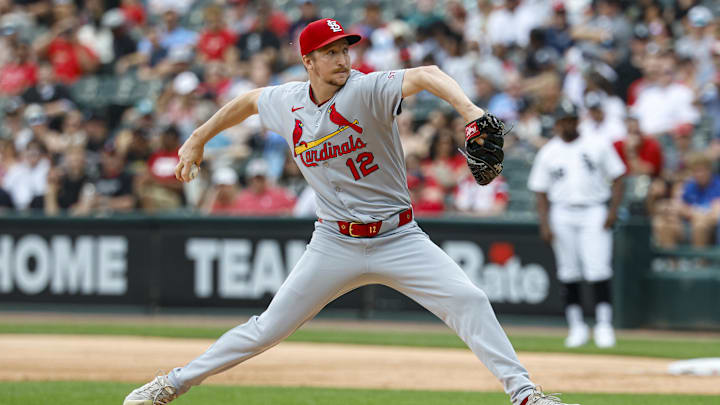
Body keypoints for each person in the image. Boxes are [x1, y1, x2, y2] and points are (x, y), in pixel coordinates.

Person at [123, 18, 577, 405]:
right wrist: (198, 137)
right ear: (309, 62)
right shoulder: (290, 102)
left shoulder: (367, 90)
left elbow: (427, 73)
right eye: (330, 52)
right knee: (266, 329)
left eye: (345, 49)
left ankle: (525, 394)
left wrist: (470, 109)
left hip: (399, 237)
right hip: (334, 242)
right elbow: (246, 101)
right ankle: (172, 384)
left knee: (470, 301)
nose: (342, 59)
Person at [528, 100, 625, 349]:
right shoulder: (549, 151)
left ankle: (604, 325)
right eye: (563, 121)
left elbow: (618, 176)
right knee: (568, 270)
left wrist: (612, 211)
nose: (568, 124)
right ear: (557, 124)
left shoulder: (597, 144)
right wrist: (545, 223)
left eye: (571, 119)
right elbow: (539, 190)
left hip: (594, 209)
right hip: (562, 212)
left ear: (577, 121)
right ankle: (577, 326)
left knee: (598, 268)